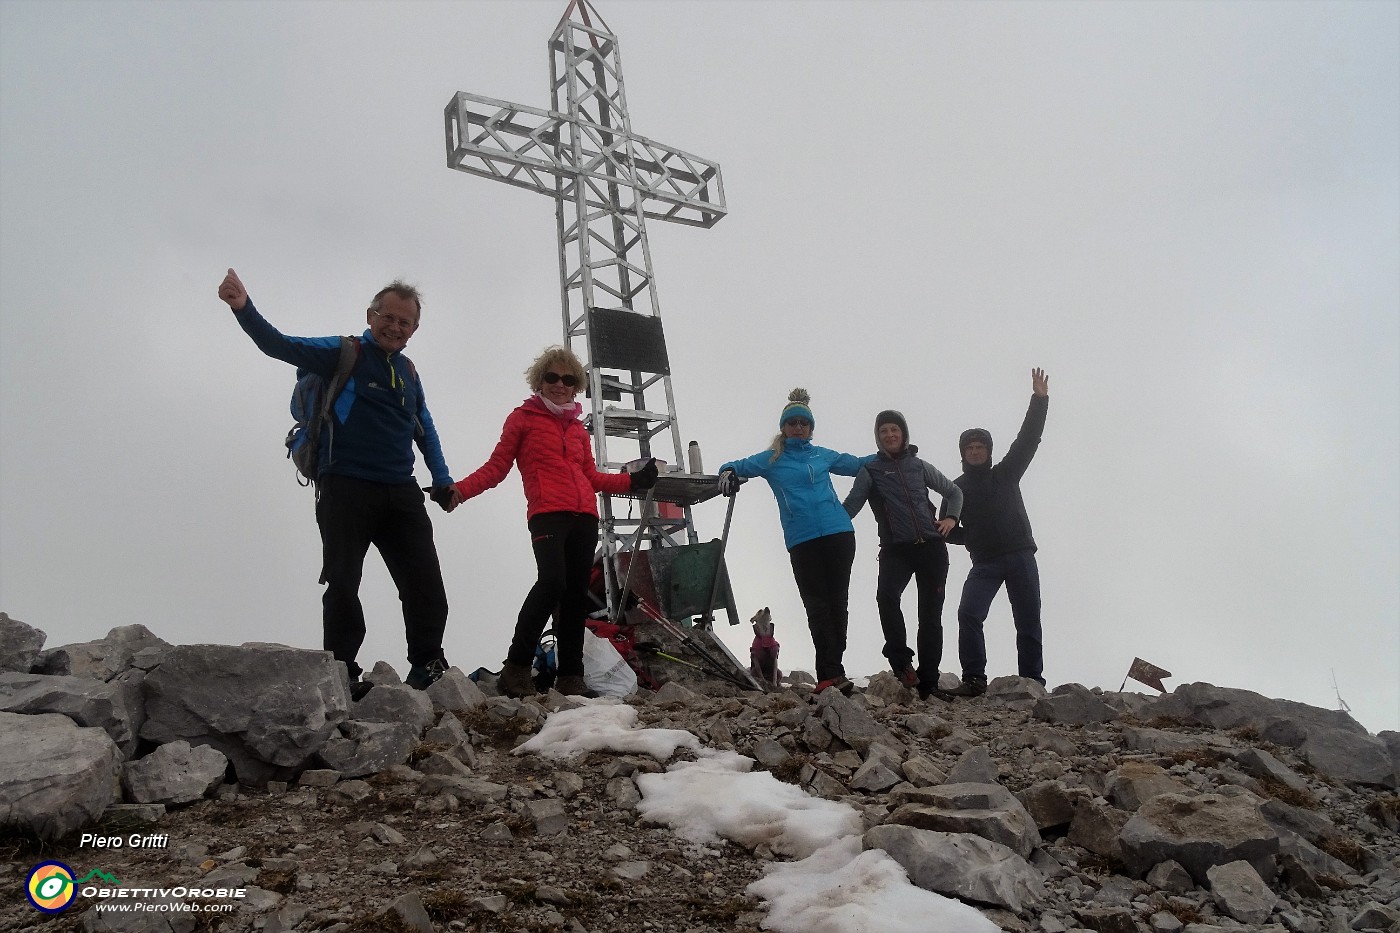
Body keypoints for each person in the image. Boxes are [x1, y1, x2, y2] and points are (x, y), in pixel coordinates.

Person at [216, 268, 461, 695]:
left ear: (414, 330)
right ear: (371, 316)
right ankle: (343, 672)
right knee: (343, 582)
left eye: (405, 322)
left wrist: (442, 480)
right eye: (388, 317)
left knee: (425, 584)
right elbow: (280, 345)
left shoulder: (408, 372)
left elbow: (425, 427)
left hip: (401, 491)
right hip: (345, 486)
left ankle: (427, 665)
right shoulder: (342, 352)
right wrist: (244, 309)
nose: (395, 326)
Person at [452, 346, 657, 699]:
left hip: (584, 517)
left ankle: (571, 678)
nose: (560, 384)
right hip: (547, 514)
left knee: (575, 598)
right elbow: (497, 467)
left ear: (576, 386)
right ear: (540, 381)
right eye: (552, 377)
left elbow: (591, 476)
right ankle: (515, 669)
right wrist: (457, 491)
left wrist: (632, 482)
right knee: (551, 583)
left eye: (568, 379)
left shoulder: (577, 429)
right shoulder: (522, 419)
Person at [717, 389, 875, 695]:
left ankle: (832, 673)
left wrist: (891, 455)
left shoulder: (823, 455)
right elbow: (737, 464)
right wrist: (727, 472)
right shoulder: (772, 459)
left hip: (838, 534)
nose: (799, 427)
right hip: (802, 540)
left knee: (837, 605)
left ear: (811, 428)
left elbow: (860, 465)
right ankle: (830, 674)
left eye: (804, 423)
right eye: (793, 423)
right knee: (817, 607)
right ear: (784, 428)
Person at [843, 410, 963, 701]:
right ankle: (901, 662)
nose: (889, 435)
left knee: (930, 616)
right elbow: (851, 506)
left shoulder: (919, 466)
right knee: (886, 597)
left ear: (904, 434)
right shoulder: (870, 470)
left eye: (894, 429)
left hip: (932, 549)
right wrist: (826, 524)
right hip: (896, 549)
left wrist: (950, 518)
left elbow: (954, 491)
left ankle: (929, 683)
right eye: (883, 431)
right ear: (878, 437)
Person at [947, 368, 1050, 696]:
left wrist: (1040, 399)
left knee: (1028, 621)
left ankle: (1032, 683)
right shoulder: (955, 490)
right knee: (968, 613)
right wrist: (971, 537)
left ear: (988, 452)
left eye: (980, 447)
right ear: (963, 454)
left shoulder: (1005, 473)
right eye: (970, 448)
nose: (975, 451)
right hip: (985, 563)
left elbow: (1028, 439)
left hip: (1020, 554)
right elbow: (946, 528)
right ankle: (974, 680)